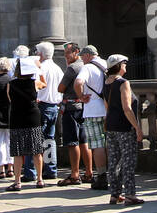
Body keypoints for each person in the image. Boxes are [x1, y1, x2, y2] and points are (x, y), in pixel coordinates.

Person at [104, 54, 144, 205]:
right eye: (124, 64)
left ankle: (114, 194)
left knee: (114, 161)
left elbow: (107, 108)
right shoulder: (123, 83)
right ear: (119, 66)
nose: (126, 67)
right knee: (128, 161)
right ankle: (130, 194)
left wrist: (106, 123)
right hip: (124, 126)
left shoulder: (106, 82)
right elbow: (127, 108)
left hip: (111, 126)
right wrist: (137, 127)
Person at [74, 45, 111, 190]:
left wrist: (81, 96)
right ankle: (114, 173)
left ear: (88, 55)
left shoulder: (88, 67)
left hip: (93, 110)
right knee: (110, 143)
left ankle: (102, 176)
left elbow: (78, 83)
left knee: (98, 145)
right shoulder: (107, 64)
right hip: (108, 108)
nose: (82, 60)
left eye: (83, 57)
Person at [6, 56, 44, 190]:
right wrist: (38, 69)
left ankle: (17, 182)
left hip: (17, 117)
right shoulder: (35, 83)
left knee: (17, 152)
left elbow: (10, 99)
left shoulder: (11, 84)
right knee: (36, 150)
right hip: (33, 117)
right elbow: (43, 85)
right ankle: (39, 179)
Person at [57, 42, 92, 186]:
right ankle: (89, 172)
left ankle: (75, 174)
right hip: (84, 107)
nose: (66, 57)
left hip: (71, 107)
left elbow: (61, 87)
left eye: (67, 54)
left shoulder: (72, 68)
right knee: (84, 141)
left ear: (76, 52)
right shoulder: (85, 66)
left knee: (72, 142)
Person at [32, 42, 64, 181]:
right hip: (54, 106)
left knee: (37, 140)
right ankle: (51, 169)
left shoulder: (39, 68)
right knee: (50, 139)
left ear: (40, 54)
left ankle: (35, 170)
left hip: (42, 106)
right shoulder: (58, 69)